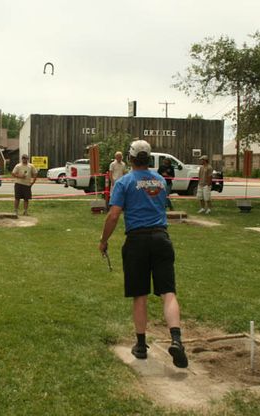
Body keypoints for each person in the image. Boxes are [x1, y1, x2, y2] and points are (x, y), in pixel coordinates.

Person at [99, 139, 188, 368]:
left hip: (137, 241)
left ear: (129, 158)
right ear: (148, 159)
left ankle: (140, 345)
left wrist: (103, 240)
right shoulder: (160, 180)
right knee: (168, 292)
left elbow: (113, 215)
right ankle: (177, 339)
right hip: (161, 238)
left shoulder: (124, 182)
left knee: (140, 295)